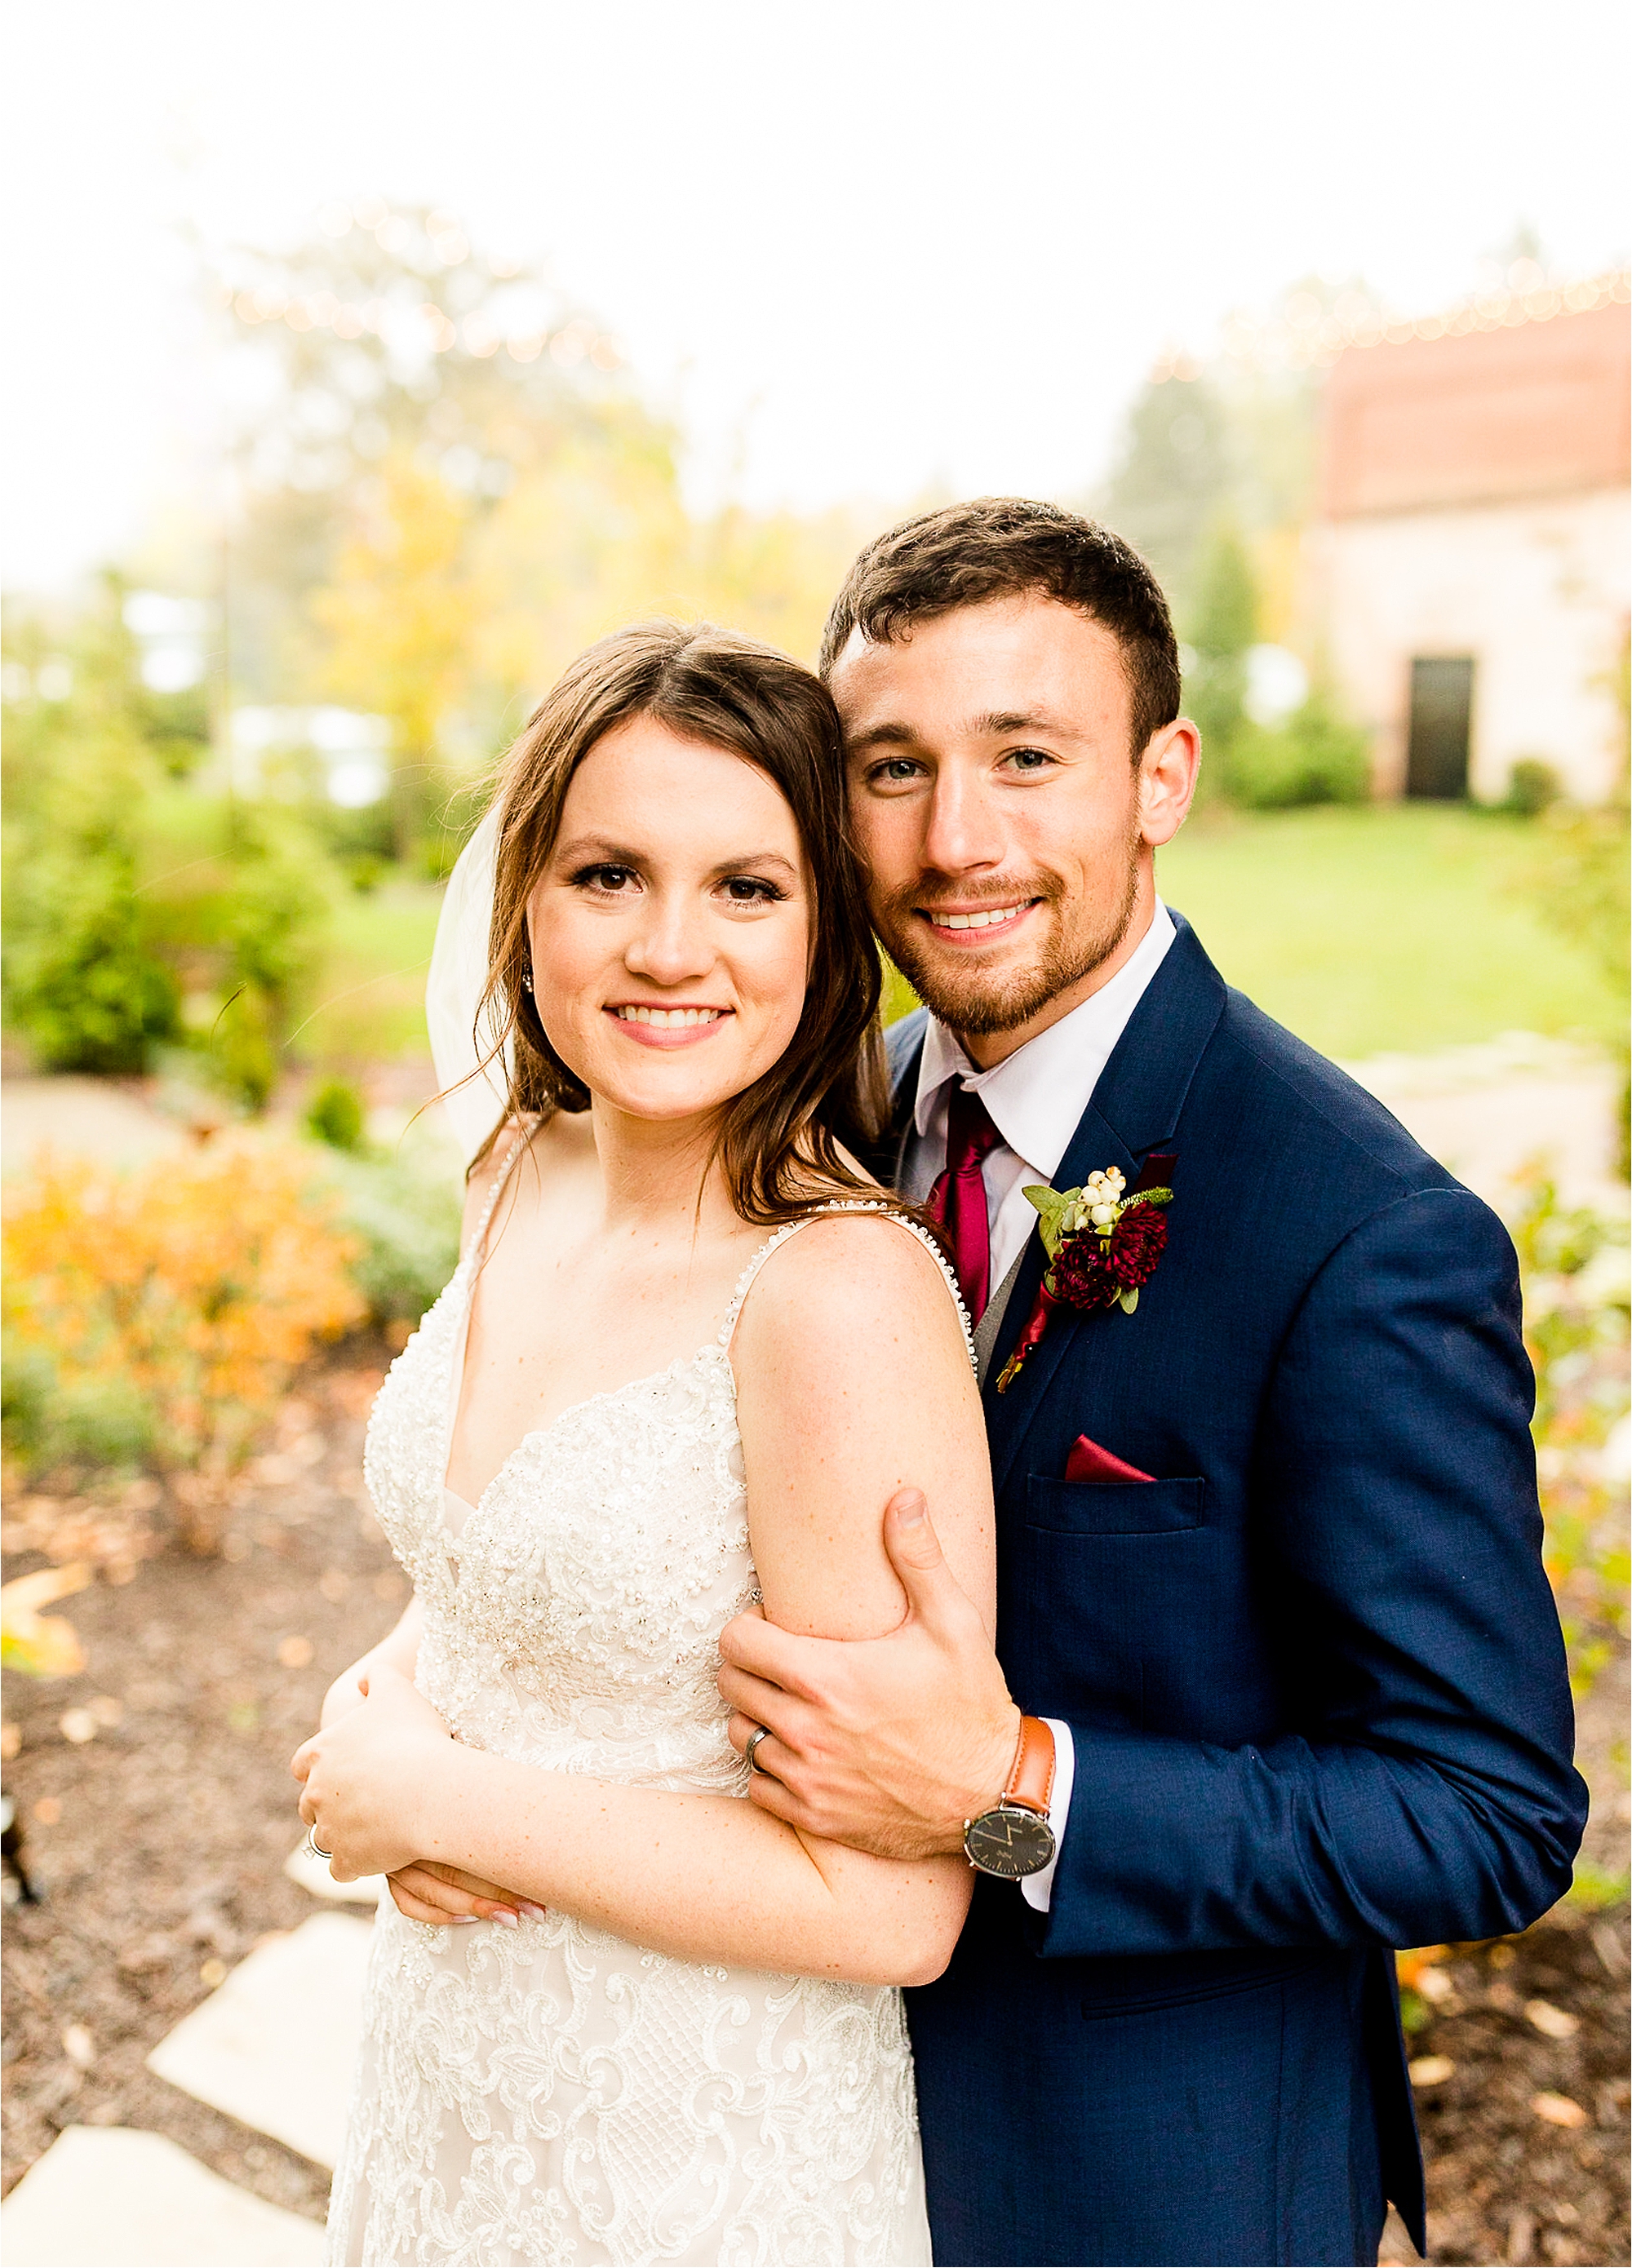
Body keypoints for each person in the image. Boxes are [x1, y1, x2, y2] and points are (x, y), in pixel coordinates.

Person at [715, 498, 1588, 2268]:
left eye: (1026, 755)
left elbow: (1485, 1810)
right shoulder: (821, 1116)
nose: (957, 839)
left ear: (1159, 776)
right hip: (780, 2116)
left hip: (1137, 2184)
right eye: (893, 767)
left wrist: (1015, 1780)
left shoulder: (1359, 1231)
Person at [293, 622, 995, 2267]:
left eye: (745, 886)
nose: (668, 946)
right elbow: (498, 1570)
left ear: (826, 930)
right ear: (522, 893)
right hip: (447, 2089)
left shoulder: (831, 1293)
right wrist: (376, 1695)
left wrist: (442, 1798)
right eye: (608, 873)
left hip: (702, 2159)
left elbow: (890, 1905)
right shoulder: (515, 1165)